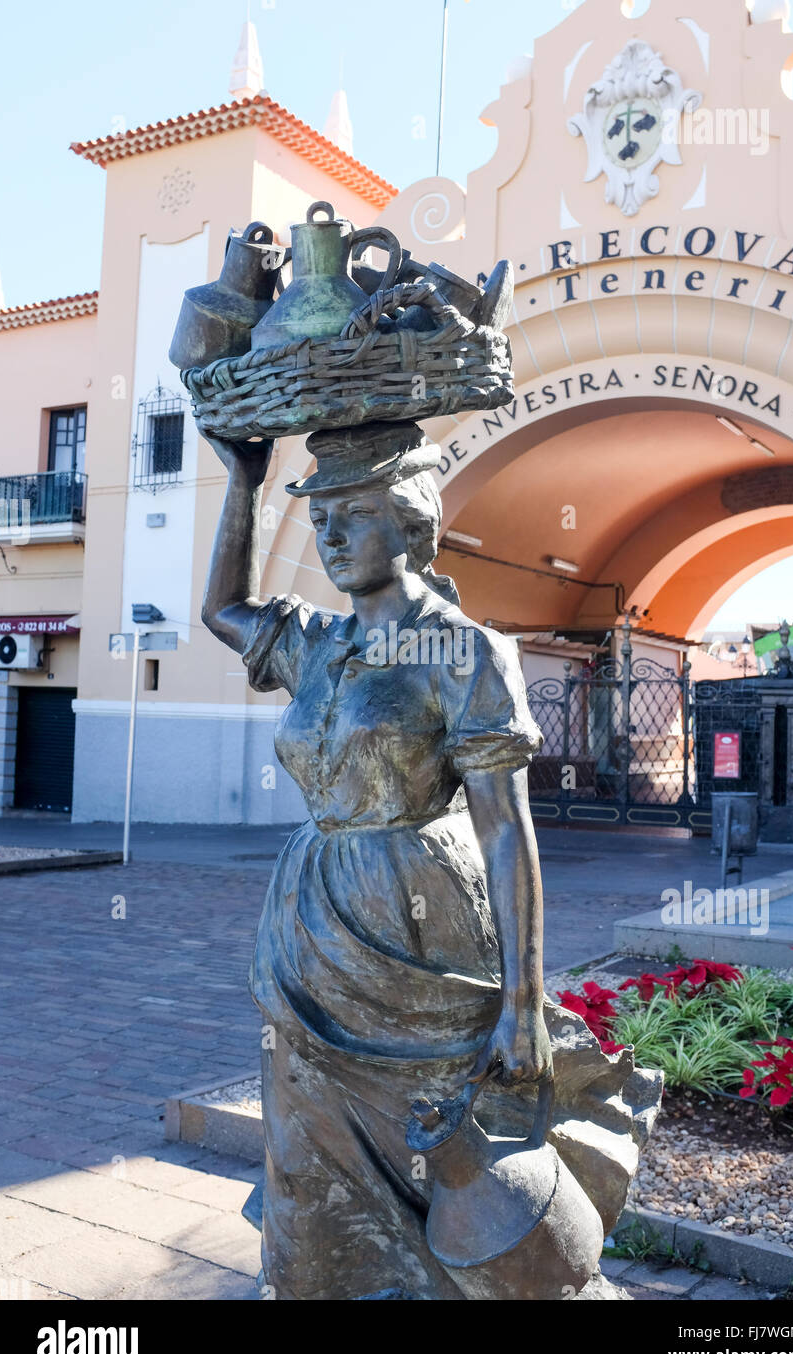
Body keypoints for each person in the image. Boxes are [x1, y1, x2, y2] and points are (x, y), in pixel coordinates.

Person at [200, 420, 660, 1300]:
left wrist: (523, 1002)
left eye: (353, 512)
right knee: (305, 1139)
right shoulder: (315, 644)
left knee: (444, 1133)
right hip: (309, 930)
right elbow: (222, 610)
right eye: (321, 515)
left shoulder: (465, 651)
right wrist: (244, 484)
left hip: (424, 931)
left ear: (410, 521)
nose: (329, 535)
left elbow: (504, 831)